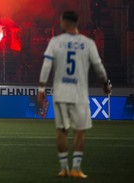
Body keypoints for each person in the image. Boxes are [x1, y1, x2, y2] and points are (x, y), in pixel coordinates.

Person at [38, 11, 112, 179]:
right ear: (77, 23)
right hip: (79, 93)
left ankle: (64, 168)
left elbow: (46, 66)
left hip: (61, 92)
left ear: (64, 22)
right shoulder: (88, 43)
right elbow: (98, 66)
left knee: (61, 131)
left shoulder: (56, 42)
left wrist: (41, 89)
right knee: (80, 131)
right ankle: (76, 168)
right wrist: (104, 83)